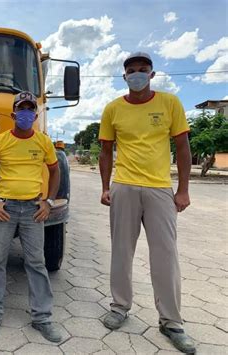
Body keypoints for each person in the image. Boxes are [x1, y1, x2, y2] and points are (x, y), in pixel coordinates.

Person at [98, 52, 195, 354]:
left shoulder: (169, 104)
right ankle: (119, 307)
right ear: (124, 76)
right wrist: (105, 187)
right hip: (124, 187)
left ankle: (171, 321)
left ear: (152, 75)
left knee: (165, 255)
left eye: (143, 69)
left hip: (159, 189)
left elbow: (182, 147)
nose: (137, 74)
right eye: (131, 70)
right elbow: (105, 151)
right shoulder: (113, 109)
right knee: (121, 251)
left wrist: (183, 190)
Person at [0, 91, 62, 343]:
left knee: (36, 263)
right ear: (14, 114)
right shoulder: (0, 141)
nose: (26, 113)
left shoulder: (44, 142)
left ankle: (42, 318)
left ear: (35, 115)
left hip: (32, 210)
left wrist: (48, 201)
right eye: (21, 109)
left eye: (30, 109)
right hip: (5, 209)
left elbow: (55, 171)